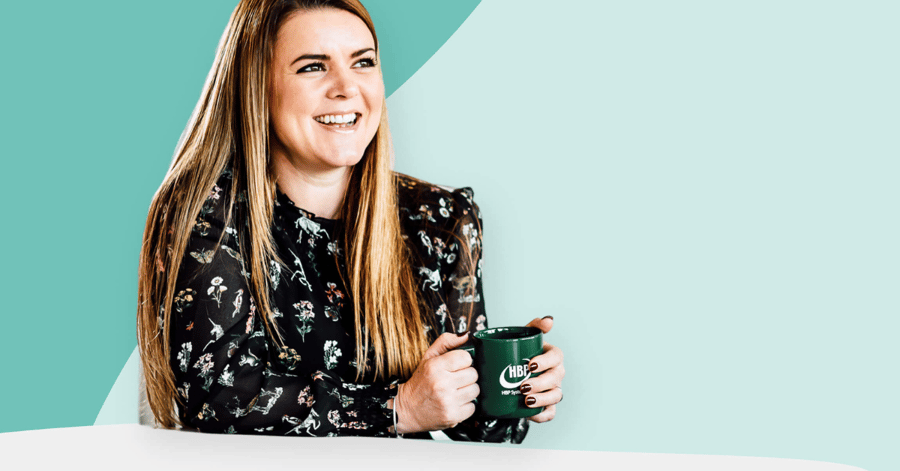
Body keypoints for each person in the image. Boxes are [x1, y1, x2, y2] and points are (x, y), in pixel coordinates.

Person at [137, 0, 564, 442]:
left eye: (363, 62)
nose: (346, 87)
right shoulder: (207, 213)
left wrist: (514, 391)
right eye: (312, 67)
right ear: (257, 87)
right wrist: (398, 408)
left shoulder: (441, 221)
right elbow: (215, 395)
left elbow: (477, 438)